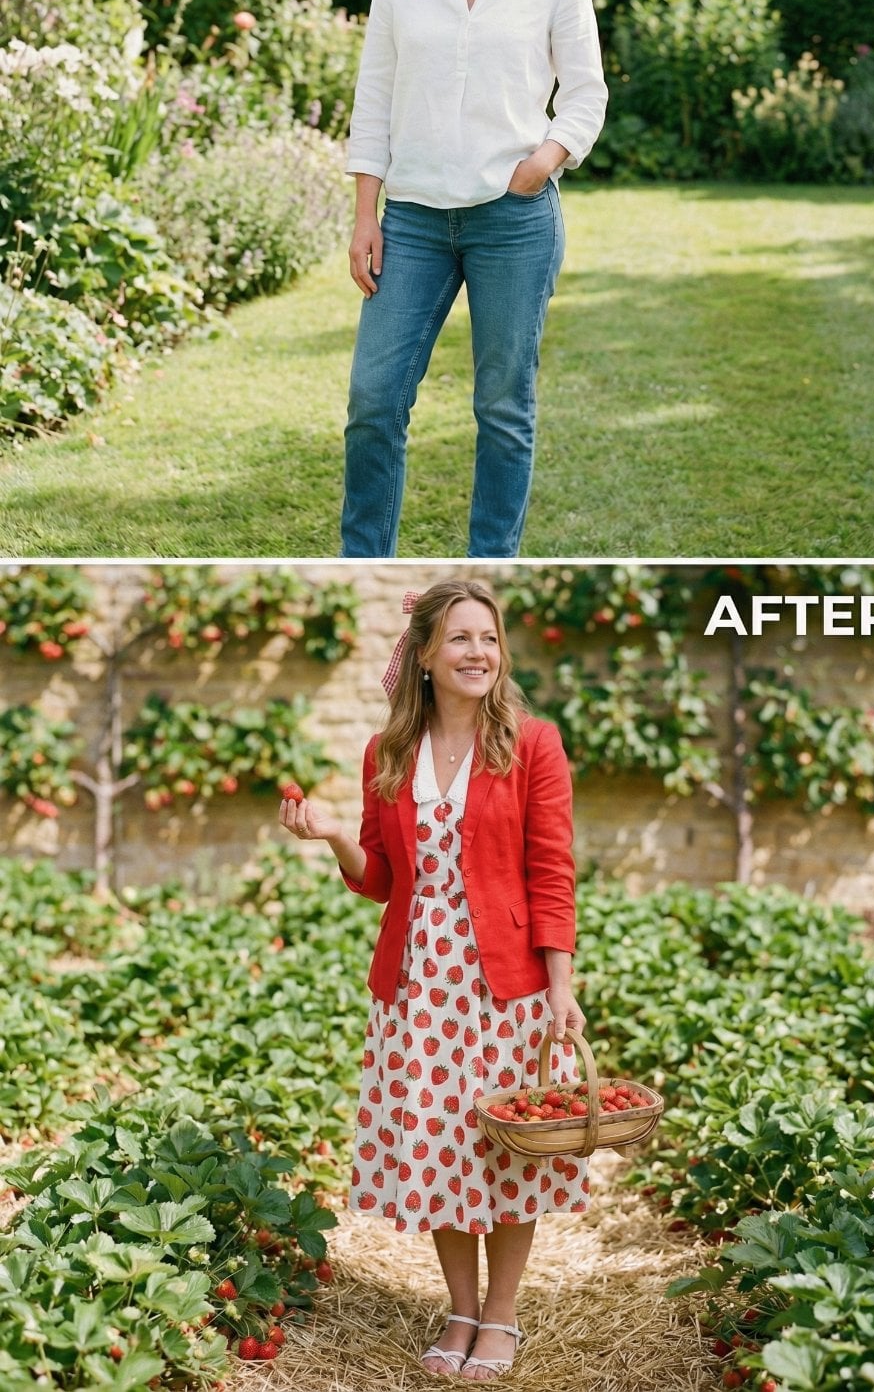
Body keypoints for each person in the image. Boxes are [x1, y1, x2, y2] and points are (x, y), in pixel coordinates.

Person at [279, 579, 587, 1380]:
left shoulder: (533, 745)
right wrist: (329, 839)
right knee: (446, 1150)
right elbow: (380, 877)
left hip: (504, 986)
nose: (478, 652)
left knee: (509, 1149)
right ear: (423, 656)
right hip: (417, 986)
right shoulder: (386, 755)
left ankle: (504, 1317)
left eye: (488, 638)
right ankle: (459, 1310)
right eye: (459, 638)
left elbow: (551, 871)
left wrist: (561, 986)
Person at [341, 0, 608, 560]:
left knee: (502, 406)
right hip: (415, 222)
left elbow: (585, 93)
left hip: (513, 220)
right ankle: (365, 563)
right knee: (373, 401)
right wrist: (367, 216)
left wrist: (544, 162)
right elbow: (375, 97)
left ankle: (489, 564)